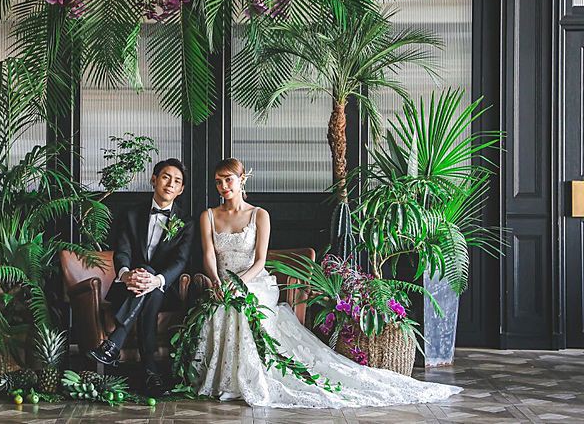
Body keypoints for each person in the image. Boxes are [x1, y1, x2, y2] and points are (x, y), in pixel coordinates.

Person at [193, 157, 463, 408]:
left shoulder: (259, 214)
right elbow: (208, 256)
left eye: (228, 179)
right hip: (222, 280)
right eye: (218, 181)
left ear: (242, 179)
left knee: (241, 301)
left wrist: (239, 283)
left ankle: (248, 377)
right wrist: (217, 282)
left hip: (254, 281)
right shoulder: (209, 215)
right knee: (220, 305)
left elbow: (260, 261)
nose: (223, 186)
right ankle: (224, 379)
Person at [88, 158, 195, 396]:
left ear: (181, 190)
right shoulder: (131, 214)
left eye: (177, 181)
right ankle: (150, 372)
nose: (170, 184)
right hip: (129, 287)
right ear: (154, 180)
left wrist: (156, 280)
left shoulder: (185, 223)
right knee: (147, 281)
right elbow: (122, 251)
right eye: (166, 177)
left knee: (152, 281)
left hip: (164, 290)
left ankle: (114, 342)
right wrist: (125, 274)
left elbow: (180, 261)